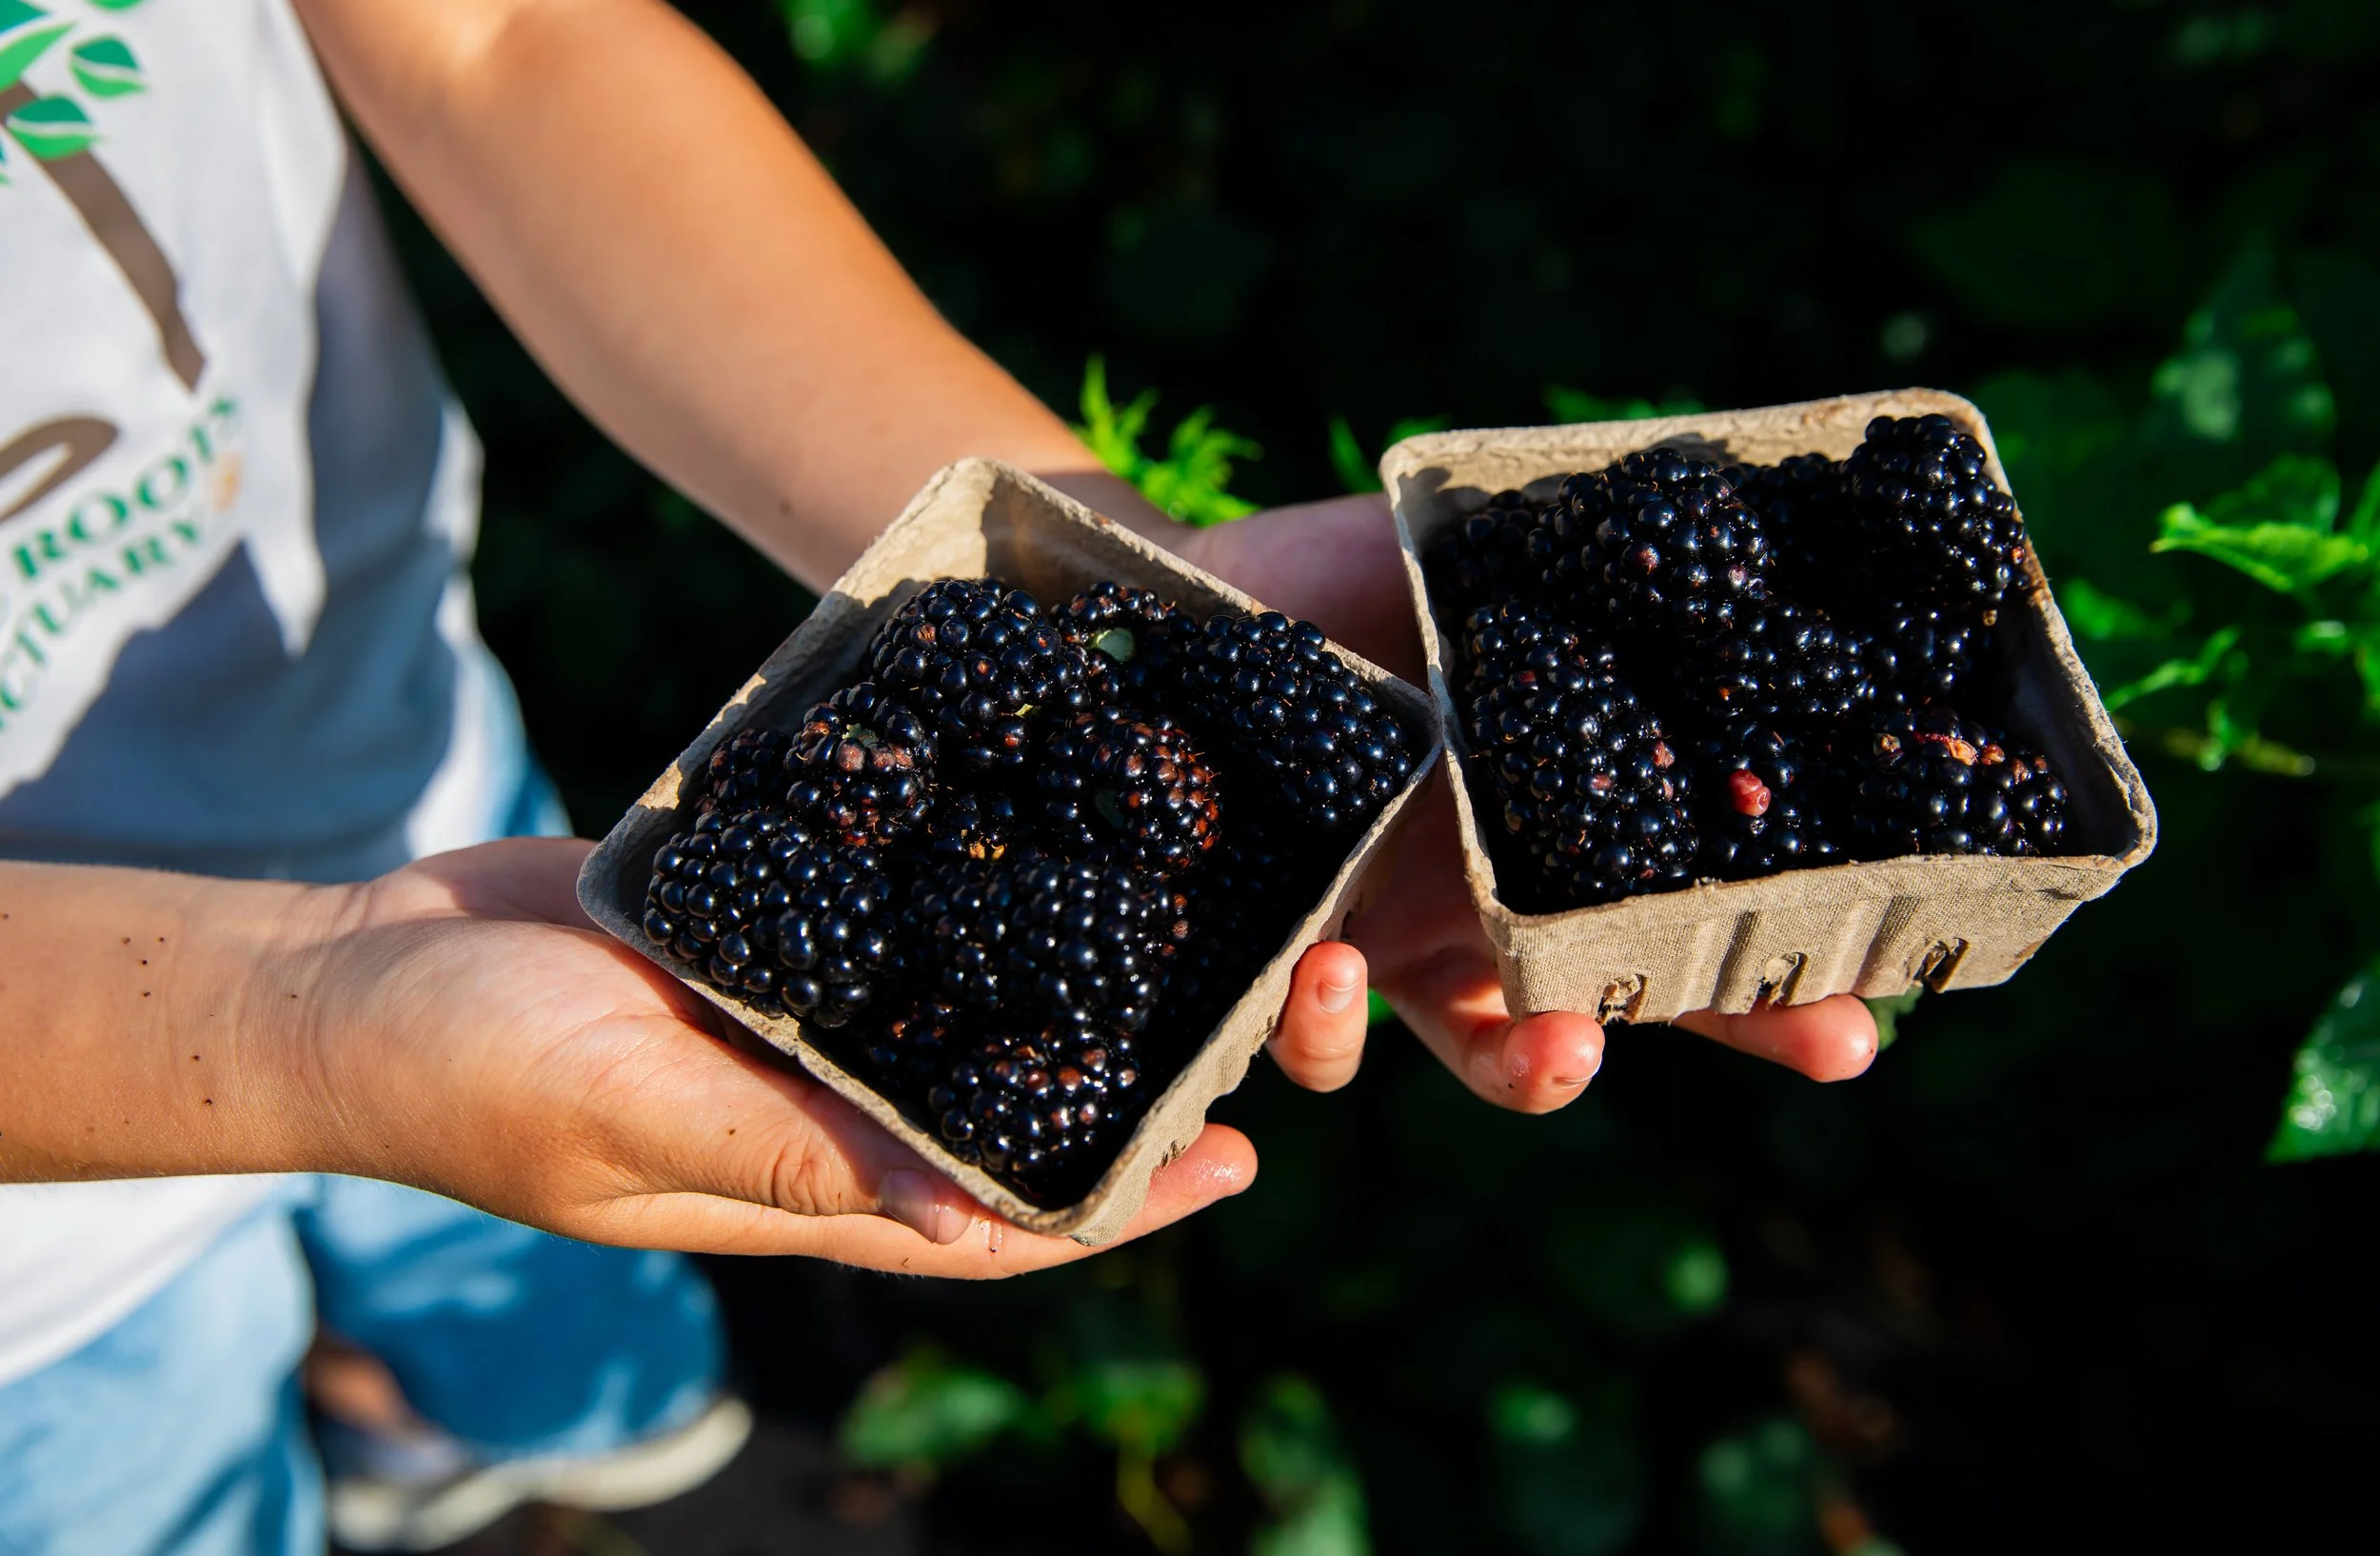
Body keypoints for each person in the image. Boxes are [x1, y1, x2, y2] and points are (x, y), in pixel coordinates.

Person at [0, 0, 1881, 1550]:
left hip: (404, 790)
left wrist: (1108, 570)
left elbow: (492, 39)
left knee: (522, 1292)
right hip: (48, 1295)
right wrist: (296, 1030)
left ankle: (507, 1408)